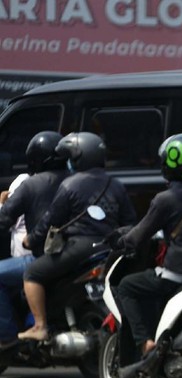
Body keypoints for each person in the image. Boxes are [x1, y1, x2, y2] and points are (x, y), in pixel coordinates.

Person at [109, 133, 182, 357]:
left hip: (178, 275)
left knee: (126, 286)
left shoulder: (165, 199)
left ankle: (145, 343)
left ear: (171, 163)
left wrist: (118, 241)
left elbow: (137, 237)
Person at [18, 131, 137, 341]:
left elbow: (50, 221)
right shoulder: (115, 184)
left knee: (32, 274)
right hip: (108, 248)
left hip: (79, 247)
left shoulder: (70, 184)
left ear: (79, 158)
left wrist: (31, 240)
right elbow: (129, 220)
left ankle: (40, 326)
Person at [0, 131, 69, 349]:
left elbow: (6, 217)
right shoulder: (77, 181)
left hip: (38, 255)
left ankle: (8, 336)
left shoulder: (28, 183)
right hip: (74, 253)